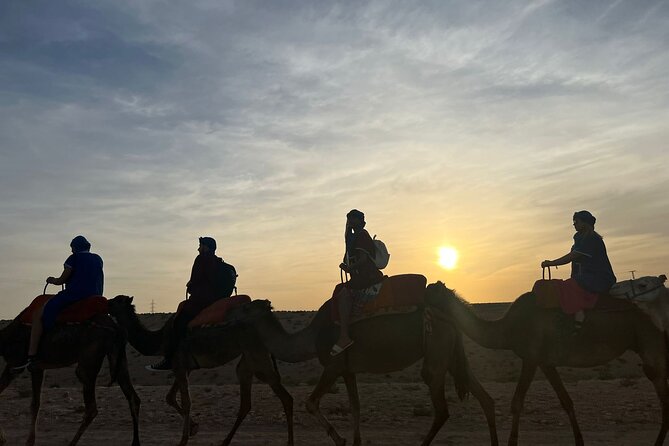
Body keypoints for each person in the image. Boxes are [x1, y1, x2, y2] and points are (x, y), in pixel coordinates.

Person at [14, 235, 104, 371]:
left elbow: (62, 280)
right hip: (95, 295)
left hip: (74, 295)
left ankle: (32, 356)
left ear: (74, 248)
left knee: (39, 314)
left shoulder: (73, 259)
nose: (72, 251)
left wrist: (52, 280)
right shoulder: (98, 259)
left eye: (72, 248)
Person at [147, 236, 235, 371]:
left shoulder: (201, 259)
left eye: (200, 245)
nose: (198, 248)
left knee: (178, 323)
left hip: (201, 301)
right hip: (214, 300)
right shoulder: (217, 262)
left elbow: (196, 279)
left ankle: (172, 359)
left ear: (206, 247)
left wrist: (191, 285)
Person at [541, 210, 616, 330]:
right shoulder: (580, 238)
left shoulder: (591, 239)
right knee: (570, 284)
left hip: (598, 277)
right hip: (585, 277)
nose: (574, 224)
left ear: (584, 223)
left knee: (568, 285)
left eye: (576, 221)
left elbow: (573, 256)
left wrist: (552, 263)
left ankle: (579, 316)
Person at [331, 209, 384, 356]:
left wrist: (349, 268)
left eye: (353, 219)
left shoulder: (362, 236)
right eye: (349, 219)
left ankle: (344, 337)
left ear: (361, 221)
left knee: (343, 296)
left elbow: (362, 260)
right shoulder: (354, 238)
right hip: (360, 276)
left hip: (367, 277)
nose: (351, 222)